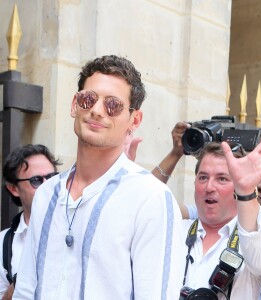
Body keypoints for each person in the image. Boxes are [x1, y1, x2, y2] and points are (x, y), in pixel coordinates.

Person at [13, 55, 183, 300]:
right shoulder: (47, 194)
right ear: (74, 105)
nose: (96, 110)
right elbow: (26, 291)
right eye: (88, 99)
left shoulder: (149, 198)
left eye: (113, 105)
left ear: (134, 120)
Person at [150, 122, 261, 299]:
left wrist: (246, 190)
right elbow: (147, 202)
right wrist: (176, 153)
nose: (209, 187)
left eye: (222, 179)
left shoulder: (256, 238)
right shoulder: (175, 229)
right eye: (203, 177)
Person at [0, 144, 61, 300]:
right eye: (36, 180)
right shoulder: (3, 243)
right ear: (14, 188)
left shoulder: (75, 225)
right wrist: (22, 279)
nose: (48, 185)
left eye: (52, 177)